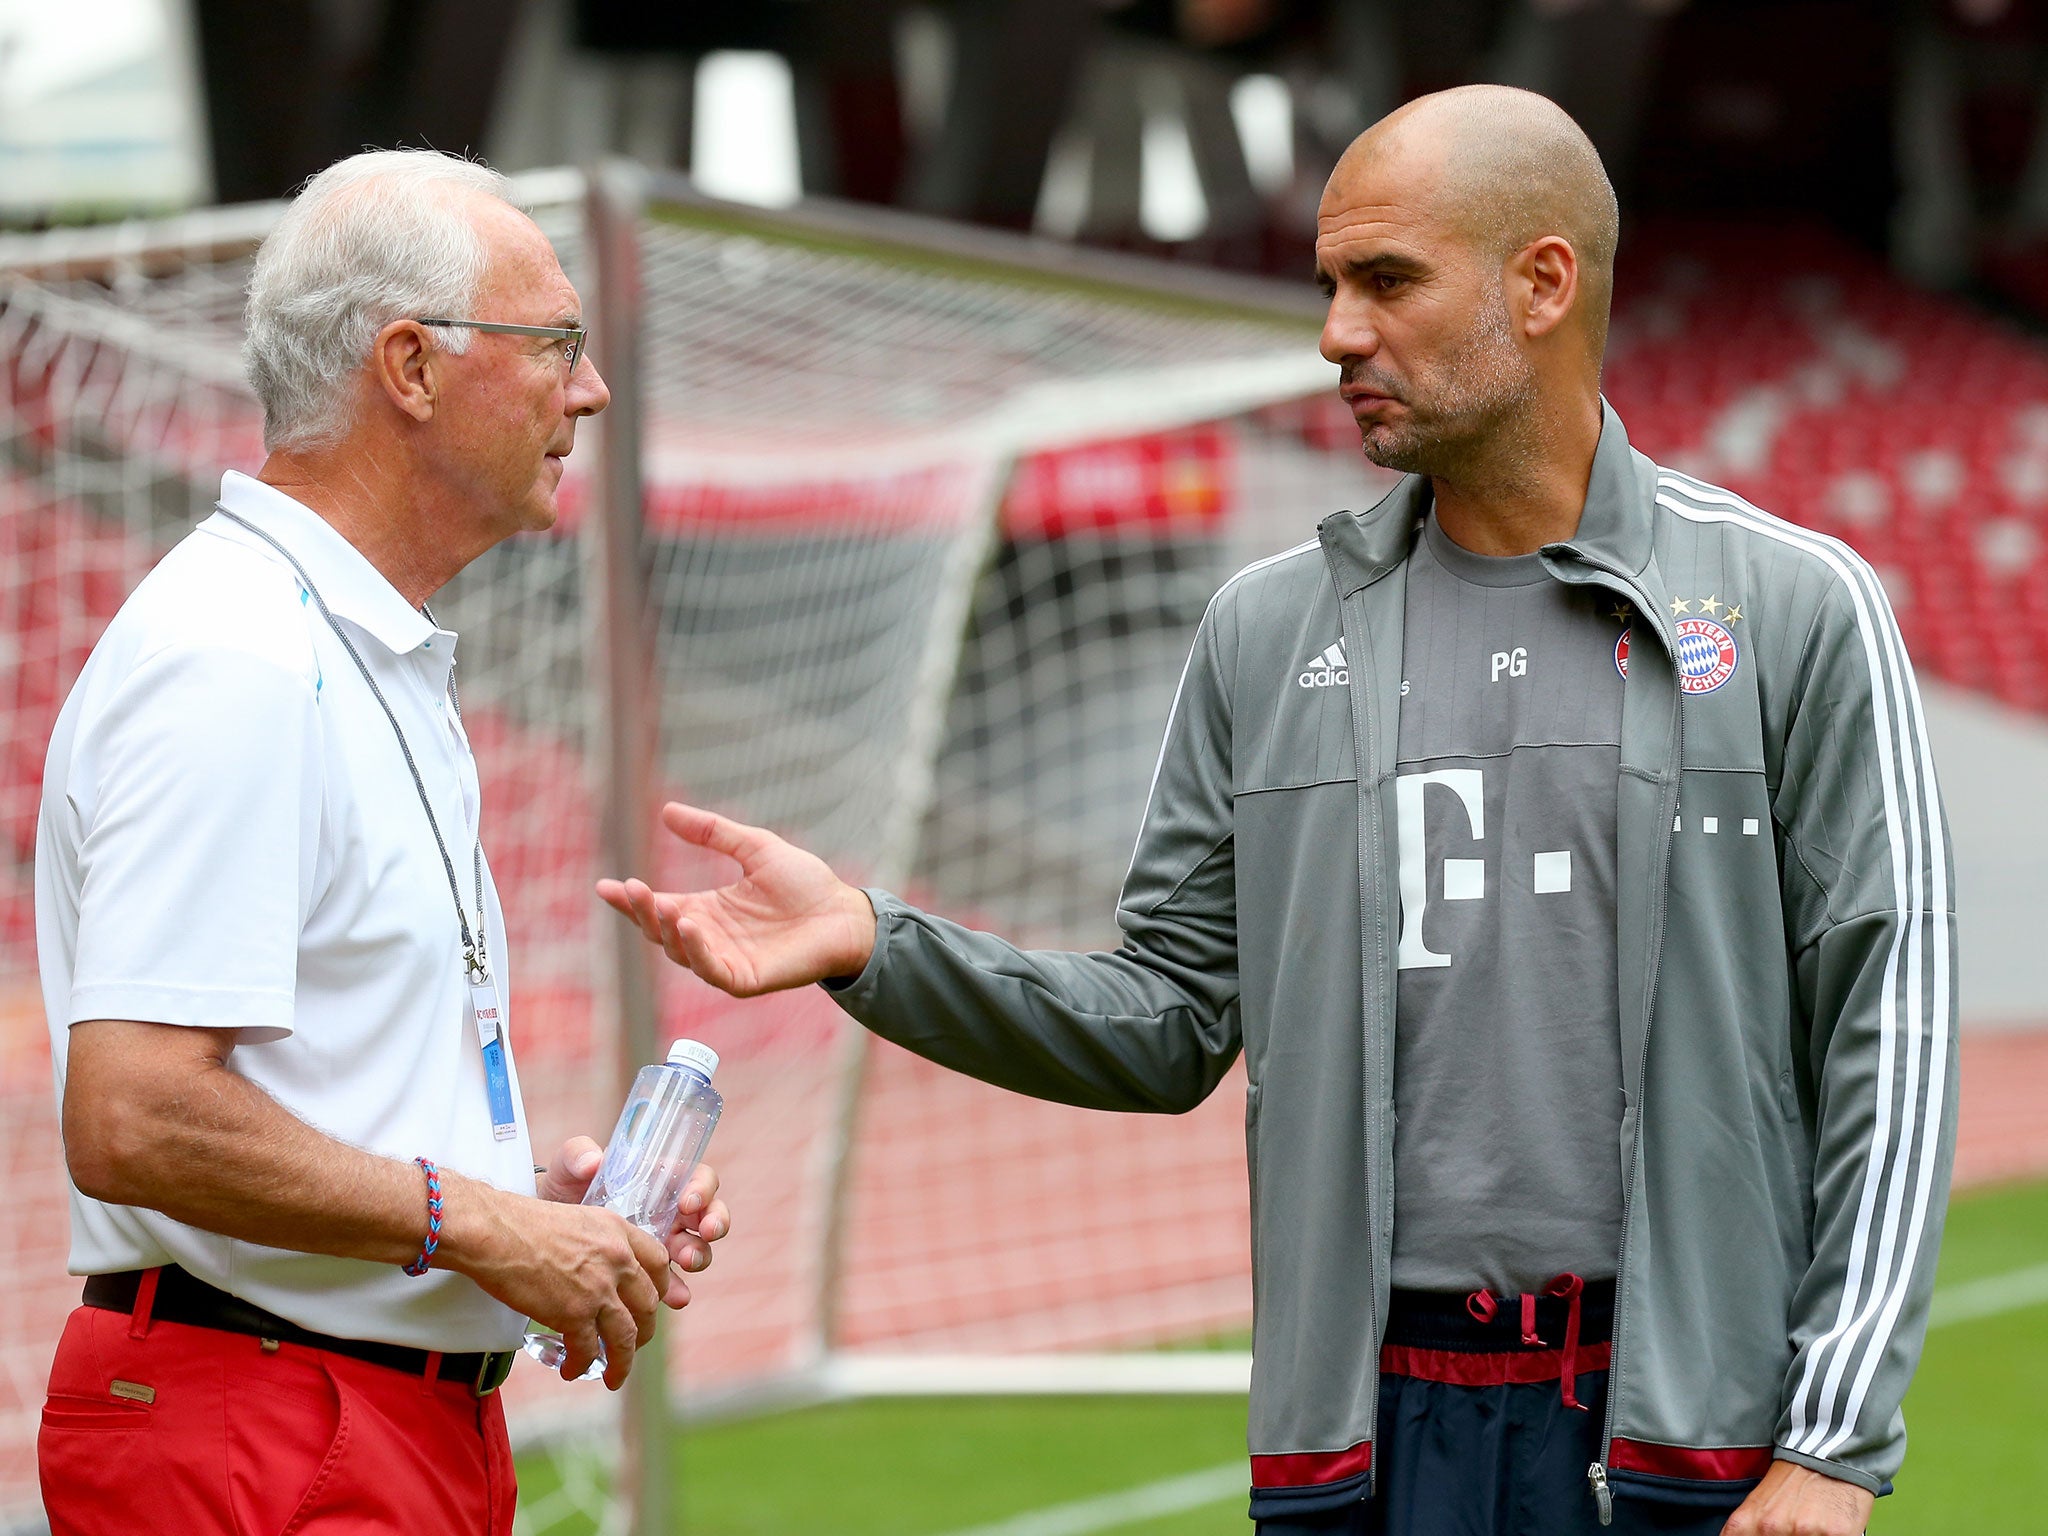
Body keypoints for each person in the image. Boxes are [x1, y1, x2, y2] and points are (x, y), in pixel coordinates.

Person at [600, 87, 1954, 1536]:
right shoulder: (1264, 632)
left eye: (1386, 281)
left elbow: (1897, 1027)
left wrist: (1831, 1445)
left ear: (1543, 283)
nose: (1336, 335)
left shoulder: (1793, 609)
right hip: (1354, 1448)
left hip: (1689, 1441)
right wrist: (877, 944)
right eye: (1329, 285)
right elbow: (1170, 1017)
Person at [35, 150, 731, 1536]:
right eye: (556, 347)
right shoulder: (239, 653)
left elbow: (312, 1098)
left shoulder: (348, 649)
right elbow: (133, 1113)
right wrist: (479, 1226)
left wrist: (536, 1211)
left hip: (358, 1411)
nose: (587, 391)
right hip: (264, 1421)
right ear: (408, 367)